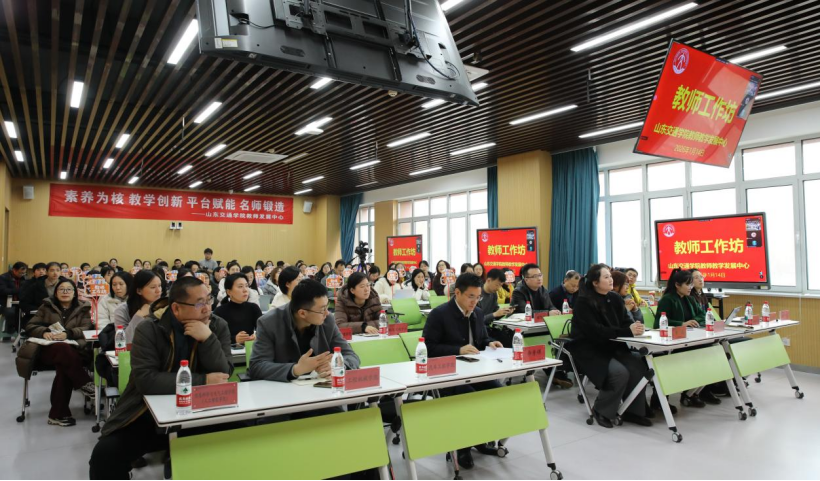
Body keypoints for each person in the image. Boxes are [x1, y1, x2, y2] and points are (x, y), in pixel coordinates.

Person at [89, 277, 233, 480]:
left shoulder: (218, 325)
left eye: (208, 300)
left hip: (202, 410)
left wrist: (207, 339)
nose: (207, 308)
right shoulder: (150, 329)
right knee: (105, 456)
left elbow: (224, 373)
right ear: (176, 308)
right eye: (199, 303)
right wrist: (203, 381)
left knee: (249, 435)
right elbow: (147, 380)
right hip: (146, 413)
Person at [422, 273, 505, 469]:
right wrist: (457, 350)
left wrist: (490, 343)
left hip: (473, 371)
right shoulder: (439, 314)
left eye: (478, 297)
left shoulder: (477, 313)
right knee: (468, 397)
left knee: (497, 392)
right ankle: (463, 447)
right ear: (457, 293)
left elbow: (481, 339)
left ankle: (481, 439)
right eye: (471, 297)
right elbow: (428, 349)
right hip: (447, 375)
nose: (475, 302)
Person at [570, 264, 652, 429]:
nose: (610, 280)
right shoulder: (583, 302)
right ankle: (601, 410)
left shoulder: (614, 298)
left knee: (638, 366)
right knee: (619, 372)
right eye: (606, 277)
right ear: (595, 282)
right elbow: (595, 331)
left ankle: (632, 411)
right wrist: (626, 331)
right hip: (590, 349)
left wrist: (634, 327)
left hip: (612, 345)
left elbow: (625, 322)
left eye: (610, 276)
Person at [250, 279, 360, 384]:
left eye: (327, 307)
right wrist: (296, 369)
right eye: (322, 309)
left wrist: (337, 365)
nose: (327, 313)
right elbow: (257, 366)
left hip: (321, 389)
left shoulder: (327, 320)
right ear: (302, 313)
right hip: (282, 391)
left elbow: (351, 356)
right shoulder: (269, 323)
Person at [24, 278, 95, 426]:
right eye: (61, 289)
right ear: (55, 293)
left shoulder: (83, 308)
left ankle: (58, 414)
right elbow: (30, 326)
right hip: (49, 350)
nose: (65, 292)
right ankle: (84, 382)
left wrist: (68, 334)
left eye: (69, 289)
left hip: (75, 349)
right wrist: (44, 332)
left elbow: (86, 328)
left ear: (75, 293)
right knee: (62, 350)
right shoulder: (46, 306)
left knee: (64, 366)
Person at [656, 268, 718, 407]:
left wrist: (693, 321)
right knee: (701, 353)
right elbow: (659, 323)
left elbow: (703, 315)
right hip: (675, 342)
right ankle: (676, 395)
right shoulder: (668, 299)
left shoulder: (689, 299)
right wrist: (682, 324)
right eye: (688, 284)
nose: (691, 287)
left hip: (690, 339)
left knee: (713, 349)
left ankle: (692, 392)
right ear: (677, 285)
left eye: (691, 284)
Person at [114, 270, 163, 343]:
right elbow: (124, 341)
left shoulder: (164, 307)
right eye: (153, 287)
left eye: (159, 286)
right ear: (139, 291)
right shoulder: (122, 310)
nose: (158, 291)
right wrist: (138, 316)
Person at [214, 274, 262, 345]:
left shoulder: (254, 308)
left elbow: (263, 331)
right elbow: (215, 337)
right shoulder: (219, 311)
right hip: (228, 349)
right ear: (229, 292)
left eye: (246, 286)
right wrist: (234, 339)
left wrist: (256, 336)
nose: (245, 290)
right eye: (240, 286)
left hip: (249, 348)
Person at [1, 262, 27, 334]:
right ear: (14, 270)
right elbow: (3, 291)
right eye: (20, 273)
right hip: (5, 303)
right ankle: (10, 331)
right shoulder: (3, 277)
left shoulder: (24, 278)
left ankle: (22, 331)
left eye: (24, 273)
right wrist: (18, 290)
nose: (22, 275)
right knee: (11, 313)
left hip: (20, 302)